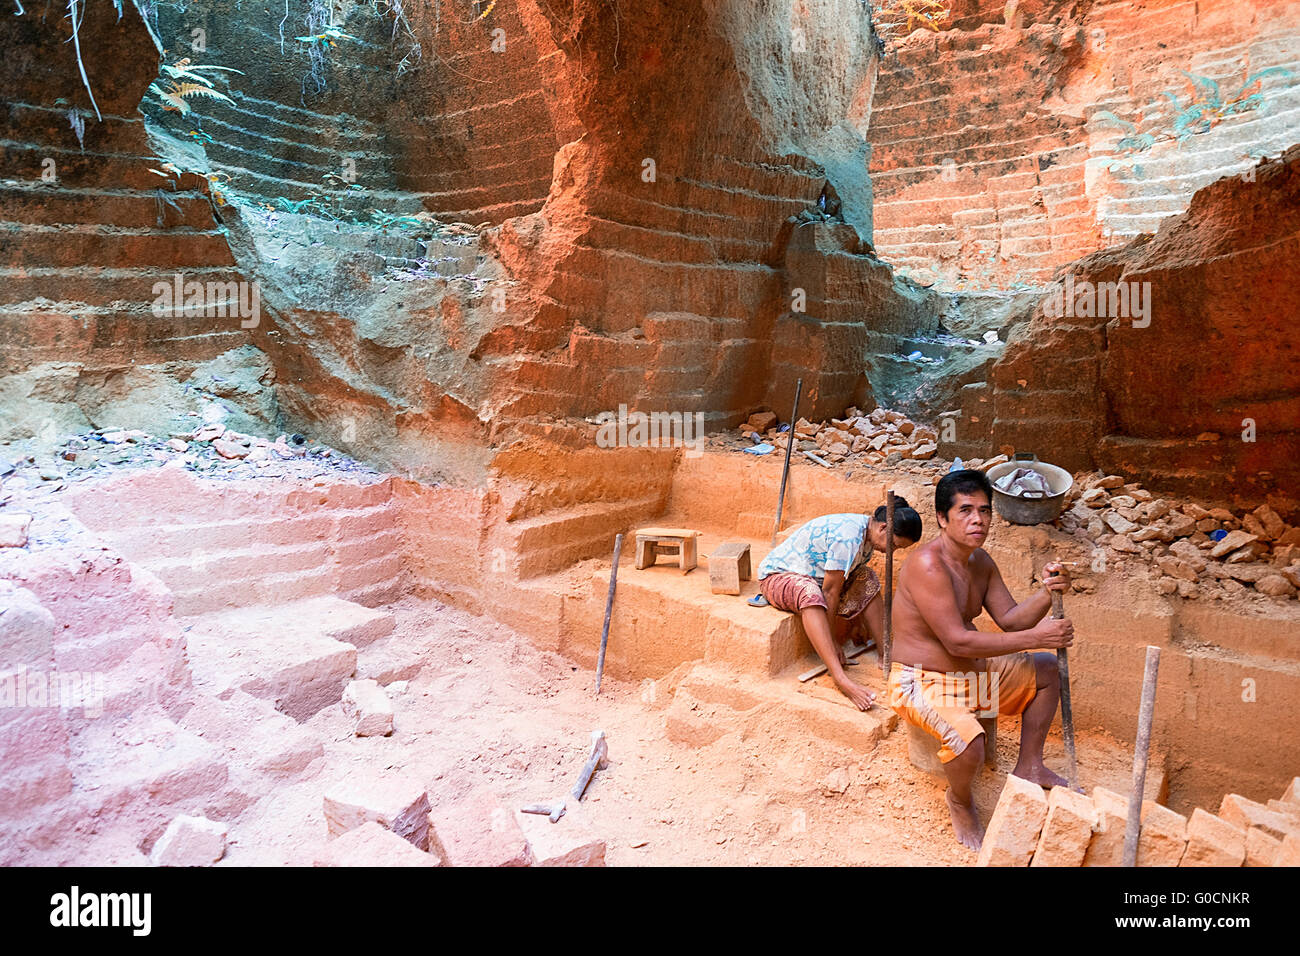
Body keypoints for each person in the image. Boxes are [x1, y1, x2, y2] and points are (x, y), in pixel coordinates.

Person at [888, 468, 1074, 851]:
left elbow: (1010, 620)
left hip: (972, 675)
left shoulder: (980, 561)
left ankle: (1030, 765)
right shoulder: (927, 565)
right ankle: (959, 799)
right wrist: (1039, 636)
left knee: (1046, 670)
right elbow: (957, 642)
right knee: (969, 741)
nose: (978, 520)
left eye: (985, 511)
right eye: (966, 511)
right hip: (921, 680)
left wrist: (1046, 592)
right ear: (942, 518)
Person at [756, 499, 923, 711]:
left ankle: (886, 652)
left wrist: (857, 623)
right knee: (810, 593)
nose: (891, 552)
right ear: (883, 527)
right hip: (778, 577)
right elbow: (830, 591)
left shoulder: (867, 534)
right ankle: (840, 678)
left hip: (814, 577)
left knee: (867, 577)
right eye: (894, 545)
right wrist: (833, 640)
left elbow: (850, 576)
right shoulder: (848, 538)